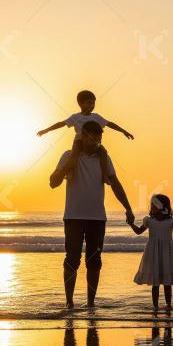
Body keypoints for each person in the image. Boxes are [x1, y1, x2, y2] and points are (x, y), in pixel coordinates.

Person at [50, 120, 135, 308]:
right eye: (94, 137)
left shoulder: (103, 159)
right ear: (84, 135)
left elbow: (115, 183)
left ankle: (90, 304)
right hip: (73, 217)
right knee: (72, 259)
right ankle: (69, 303)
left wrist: (128, 208)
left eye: (100, 137)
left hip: (97, 218)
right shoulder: (68, 156)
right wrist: (69, 164)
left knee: (94, 261)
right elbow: (53, 182)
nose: (98, 141)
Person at [37, 90, 134, 183]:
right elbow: (61, 124)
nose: (91, 105)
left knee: (104, 153)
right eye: (89, 103)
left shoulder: (96, 117)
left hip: (94, 144)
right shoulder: (75, 117)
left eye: (93, 103)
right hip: (79, 142)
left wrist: (123, 131)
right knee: (73, 157)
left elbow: (110, 124)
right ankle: (69, 172)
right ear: (80, 104)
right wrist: (46, 130)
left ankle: (104, 175)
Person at [128, 194, 173, 310]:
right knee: (155, 283)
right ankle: (155, 307)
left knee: (167, 282)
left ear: (162, 206)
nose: (152, 207)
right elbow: (138, 232)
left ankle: (169, 306)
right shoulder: (149, 221)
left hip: (167, 253)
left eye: (154, 205)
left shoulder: (171, 221)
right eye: (151, 205)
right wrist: (131, 223)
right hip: (153, 253)